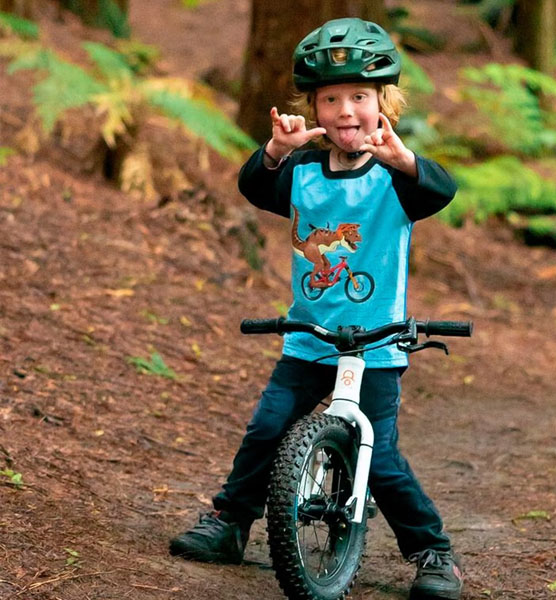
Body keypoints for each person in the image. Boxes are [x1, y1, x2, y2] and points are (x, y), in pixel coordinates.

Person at [168, 17, 462, 600]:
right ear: (314, 107)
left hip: (376, 343)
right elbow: (255, 187)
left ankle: (433, 552)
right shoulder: (302, 171)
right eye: (331, 99)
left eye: (360, 97)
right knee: (268, 428)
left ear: (384, 104)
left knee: (377, 455)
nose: (346, 110)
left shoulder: (397, 178)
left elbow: (440, 190)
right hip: (308, 337)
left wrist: (405, 161)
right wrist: (275, 149)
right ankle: (230, 524)